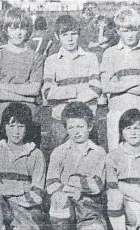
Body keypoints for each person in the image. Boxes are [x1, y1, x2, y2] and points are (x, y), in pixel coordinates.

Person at [0, 103, 46, 230]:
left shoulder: (36, 154)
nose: (16, 132)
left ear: (27, 128)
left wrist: (6, 190)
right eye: (11, 126)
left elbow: (37, 194)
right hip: (4, 207)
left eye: (21, 126)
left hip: (26, 208)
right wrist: (21, 189)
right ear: (4, 127)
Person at [42, 15, 101, 150]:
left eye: (73, 34)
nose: (70, 39)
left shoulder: (90, 58)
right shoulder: (51, 61)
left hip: (86, 121)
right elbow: (47, 92)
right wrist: (75, 91)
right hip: (61, 122)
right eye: (65, 34)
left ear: (79, 34)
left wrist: (65, 97)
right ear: (57, 36)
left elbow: (95, 89)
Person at [0, 8, 43, 144]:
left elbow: (34, 89)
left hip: (29, 118)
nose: (18, 32)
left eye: (22, 28)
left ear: (28, 30)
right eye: (13, 28)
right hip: (1, 119)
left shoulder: (36, 57)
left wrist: (4, 86)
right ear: (5, 30)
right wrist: (26, 99)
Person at [46, 102, 107, 230]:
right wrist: (73, 191)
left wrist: (71, 179)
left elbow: (97, 185)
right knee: (59, 198)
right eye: (71, 127)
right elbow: (51, 184)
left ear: (89, 126)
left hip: (89, 208)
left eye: (80, 126)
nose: (76, 132)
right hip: (66, 205)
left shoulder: (99, 152)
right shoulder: (59, 152)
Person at [100, 7, 140, 152]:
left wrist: (120, 82)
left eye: (133, 30)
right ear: (117, 31)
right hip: (118, 110)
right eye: (125, 31)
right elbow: (106, 86)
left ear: (139, 29)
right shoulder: (110, 53)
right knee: (116, 155)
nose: (129, 35)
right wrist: (137, 81)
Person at [106, 109, 140, 230]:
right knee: (115, 196)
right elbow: (111, 184)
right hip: (124, 203)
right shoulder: (113, 156)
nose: (133, 133)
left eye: (137, 128)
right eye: (128, 128)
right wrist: (130, 192)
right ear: (121, 132)